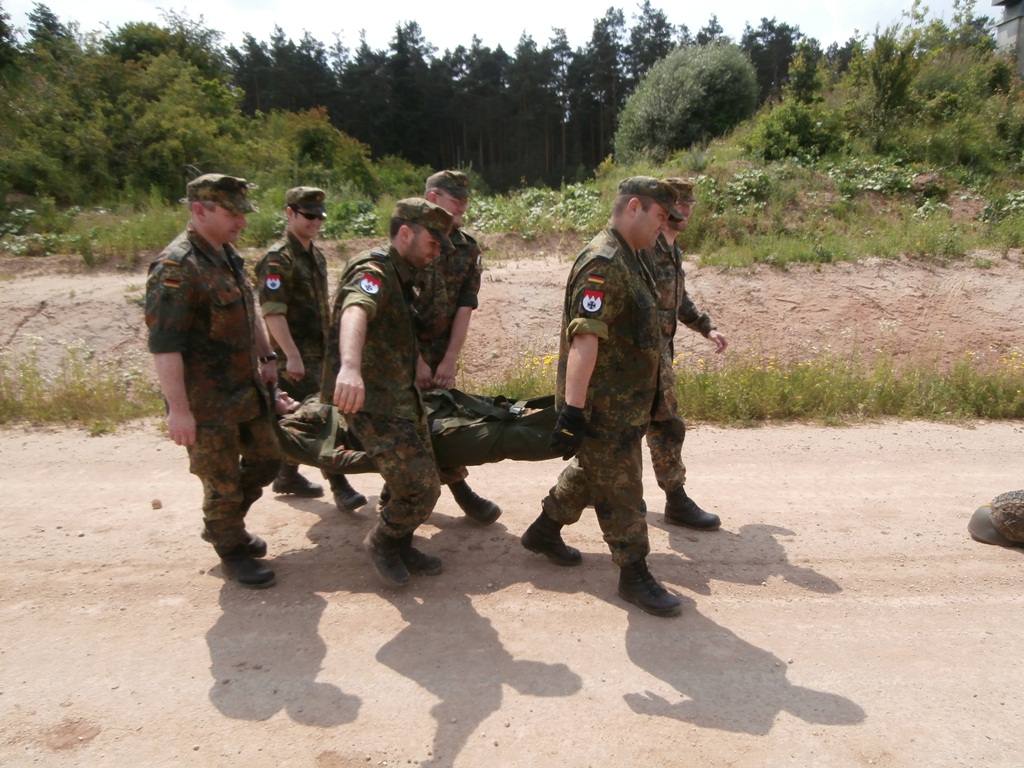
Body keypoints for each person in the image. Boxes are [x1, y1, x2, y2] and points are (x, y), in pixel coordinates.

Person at [521, 176, 684, 617]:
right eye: (661, 216)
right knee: (623, 489)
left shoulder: (634, 256)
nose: (665, 225)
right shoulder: (604, 262)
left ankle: (544, 530)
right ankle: (634, 574)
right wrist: (573, 413)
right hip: (604, 406)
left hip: (627, 402)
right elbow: (585, 340)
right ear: (634, 207)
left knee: (595, 471)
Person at [145, 173, 280, 589]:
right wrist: (179, 411)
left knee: (268, 458)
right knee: (220, 481)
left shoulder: (226, 254)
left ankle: (224, 524)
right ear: (200, 211)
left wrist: (266, 355)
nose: (242, 222)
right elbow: (165, 346)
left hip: (245, 389)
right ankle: (231, 547)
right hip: (206, 403)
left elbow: (248, 309)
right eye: (233, 213)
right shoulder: (176, 268)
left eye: (243, 213)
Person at [326, 198, 453, 586]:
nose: (435, 253)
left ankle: (401, 542)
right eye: (432, 243)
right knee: (421, 486)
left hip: (400, 395)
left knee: (422, 480)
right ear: (405, 234)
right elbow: (356, 309)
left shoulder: (403, 273)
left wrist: (418, 364)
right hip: (373, 401)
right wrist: (349, 368)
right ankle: (382, 542)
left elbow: (395, 327)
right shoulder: (375, 269)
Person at [255, 186, 367, 512]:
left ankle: (287, 475)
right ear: (289, 213)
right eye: (309, 216)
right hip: (296, 357)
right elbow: (272, 312)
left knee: (303, 418)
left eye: (320, 216)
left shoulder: (315, 255)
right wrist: (291, 355)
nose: (316, 222)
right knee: (323, 419)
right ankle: (339, 485)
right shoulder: (278, 259)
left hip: (320, 354)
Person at [401, 169, 500, 524]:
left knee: (441, 422)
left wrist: (450, 359)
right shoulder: (410, 241)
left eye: (464, 201)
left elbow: (465, 305)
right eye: (455, 199)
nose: (462, 207)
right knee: (408, 425)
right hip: (401, 349)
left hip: (441, 351)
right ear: (432, 198)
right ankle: (457, 491)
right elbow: (396, 310)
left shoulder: (467, 247)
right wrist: (415, 360)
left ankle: (414, 491)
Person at [643, 177, 728, 529]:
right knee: (666, 425)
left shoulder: (671, 248)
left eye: (690, 203)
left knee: (627, 426)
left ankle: (589, 486)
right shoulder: (646, 248)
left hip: (659, 354)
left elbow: (677, 298)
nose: (687, 209)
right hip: (643, 356)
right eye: (680, 203)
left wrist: (706, 327)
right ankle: (676, 500)